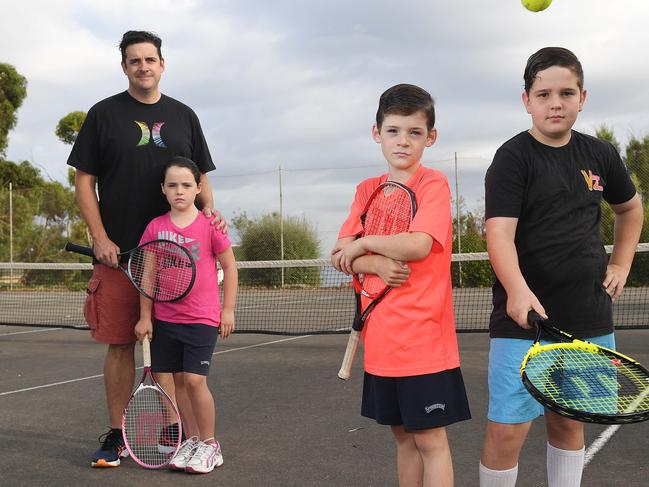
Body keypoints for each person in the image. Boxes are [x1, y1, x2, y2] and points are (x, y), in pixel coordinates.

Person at [479, 47, 643, 487]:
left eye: (566, 92)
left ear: (582, 98)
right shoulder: (513, 158)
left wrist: (622, 263)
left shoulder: (600, 154)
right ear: (526, 100)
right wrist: (516, 290)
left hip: (589, 317)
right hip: (523, 323)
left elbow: (630, 209)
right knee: (507, 429)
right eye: (544, 93)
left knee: (570, 422)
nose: (556, 102)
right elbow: (498, 235)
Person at [67, 30, 225, 467]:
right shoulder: (103, 114)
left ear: (162, 63)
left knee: (173, 360)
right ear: (124, 67)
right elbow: (85, 181)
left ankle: (175, 432)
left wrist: (211, 214)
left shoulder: (185, 115)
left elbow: (202, 178)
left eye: (150, 59)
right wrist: (100, 237)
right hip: (122, 259)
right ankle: (118, 436)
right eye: (134, 60)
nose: (143, 67)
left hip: (178, 264)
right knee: (121, 346)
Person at [332, 84, 471, 487]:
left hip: (424, 342)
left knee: (430, 439)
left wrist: (365, 243)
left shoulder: (433, 184)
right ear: (377, 133)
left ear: (431, 137)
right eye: (393, 131)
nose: (403, 141)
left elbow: (418, 244)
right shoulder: (365, 190)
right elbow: (339, 253)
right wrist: (371, 259)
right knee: (402, 436)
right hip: (381, 343)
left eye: (414, 132)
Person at [134, 156, 237, 474]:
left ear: (198, 187)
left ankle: (209, 444)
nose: (179, 190)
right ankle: (190, 439)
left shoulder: (210, 225)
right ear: (163, 189)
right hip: (166, 319)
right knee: (175, 383)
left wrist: (228, 309)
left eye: (186, 184)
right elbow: (147, 276)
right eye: (172, 185)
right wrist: (145, 316)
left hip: (202, 318)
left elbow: (230, 266)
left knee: (194, 381)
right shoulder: (155, 227)